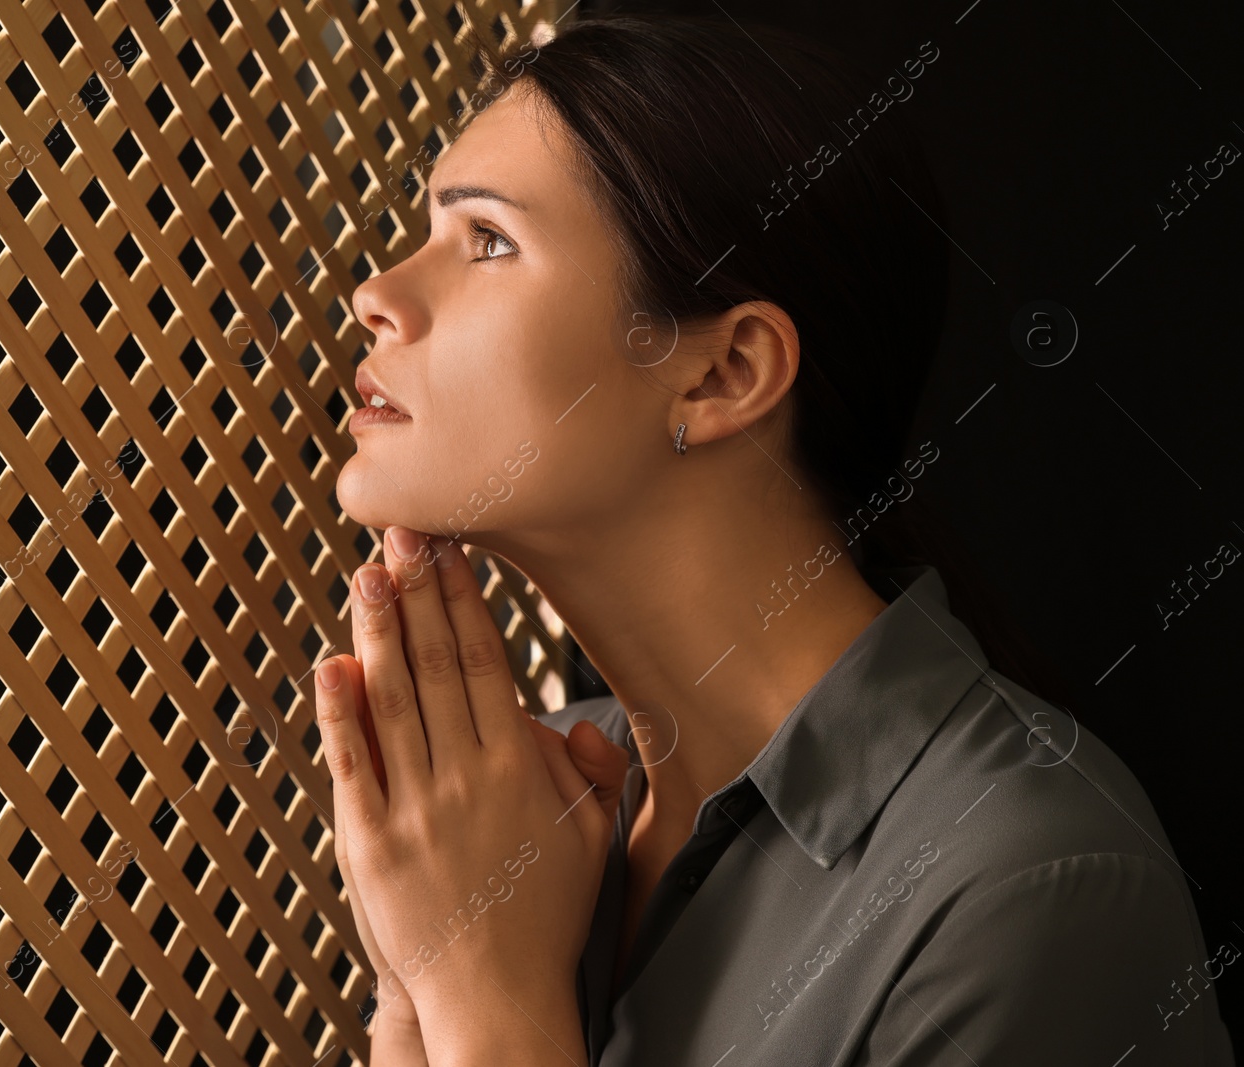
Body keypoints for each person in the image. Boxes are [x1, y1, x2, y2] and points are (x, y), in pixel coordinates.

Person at [312, 14, 1235, 1066]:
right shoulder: (528, 807)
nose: (375, 294)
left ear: (723, 372)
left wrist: (486, 1002)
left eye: (486, 241)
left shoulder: (1025, 891)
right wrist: (407, 996)